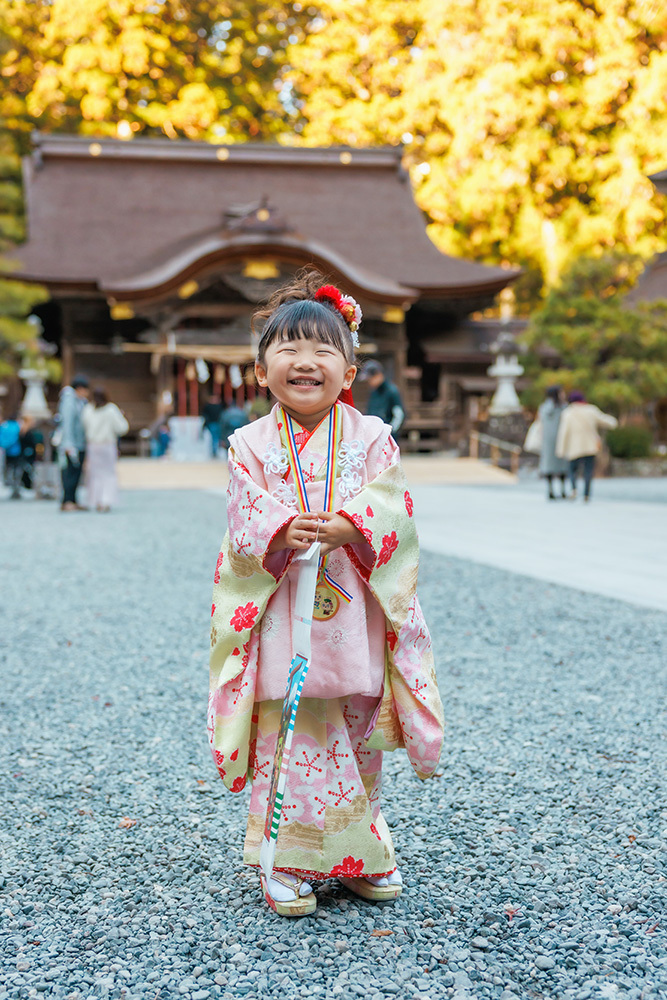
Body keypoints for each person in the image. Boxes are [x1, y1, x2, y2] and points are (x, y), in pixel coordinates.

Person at [208, 272, 444, 917]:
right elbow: (243, 519)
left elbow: (394, 507)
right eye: (287, 349)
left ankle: (359, 851)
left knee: (358, 729)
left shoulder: (372, 437)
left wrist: (356, 524)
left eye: (322, 350)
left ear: (350, 371)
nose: (305, 361)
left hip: (352, 604)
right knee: (291, 730)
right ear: (261, 372)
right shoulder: (248, 444)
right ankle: (286, 858)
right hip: (284, 604)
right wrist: (279, 529)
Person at [556, 391, 618, 502]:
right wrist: (614, 422)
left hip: (574, 447)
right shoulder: (591, 410)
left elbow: (563, 432)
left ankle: (574, 489)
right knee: (588, 470)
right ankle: (586, 494)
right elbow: (605, 420)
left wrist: (561, 449)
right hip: (590, 445)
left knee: (572, 470)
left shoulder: (568, 413)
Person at [81, 387, 129, 512]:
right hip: (107, 445)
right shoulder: (111, 409)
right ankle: (106, 500)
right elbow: (122, 428)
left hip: (93, 445)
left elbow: (83, 426)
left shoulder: (88, 409)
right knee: (108, 474)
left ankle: (96, 500)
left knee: (95, 474)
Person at [56, 374, 90, 511]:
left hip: (79, 443)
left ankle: (73, 500)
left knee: (76, 473)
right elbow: (67, 424)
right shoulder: (69, 401)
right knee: (69, 473)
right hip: (71, 444)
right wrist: (68, 444)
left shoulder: (79, 401)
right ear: (80, 388)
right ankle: (67, 500)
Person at [537, 386, 569, 500]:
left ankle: (550, 490)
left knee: (548, 464)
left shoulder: (543, 407)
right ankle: (563, 490)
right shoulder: (564, 407)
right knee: (562, 464)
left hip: (547, 440)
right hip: (561, 438)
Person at [361, 360, 405, 434]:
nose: (369, 382)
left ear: (378, 375)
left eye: (370, 379)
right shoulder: (373, 392)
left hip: (386, 434)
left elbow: (399, 415)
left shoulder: (392, 391)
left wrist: (390, 432)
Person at [0, 412, 23, 499]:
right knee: (16, 471)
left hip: (7, 451)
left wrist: (4, 445)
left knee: (9, 469)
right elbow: (15, 437)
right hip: (16, 451)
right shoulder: (17, 426)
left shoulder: (4, 426)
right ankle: (16, 489)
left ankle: (12, 486)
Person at [201, 394, 224, 458]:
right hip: (214, 423)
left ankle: (215, 451)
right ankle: (215, 451)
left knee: (214, 438)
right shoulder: (218, 406)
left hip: (213, 423)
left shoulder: (208, 406)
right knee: (215, 438)